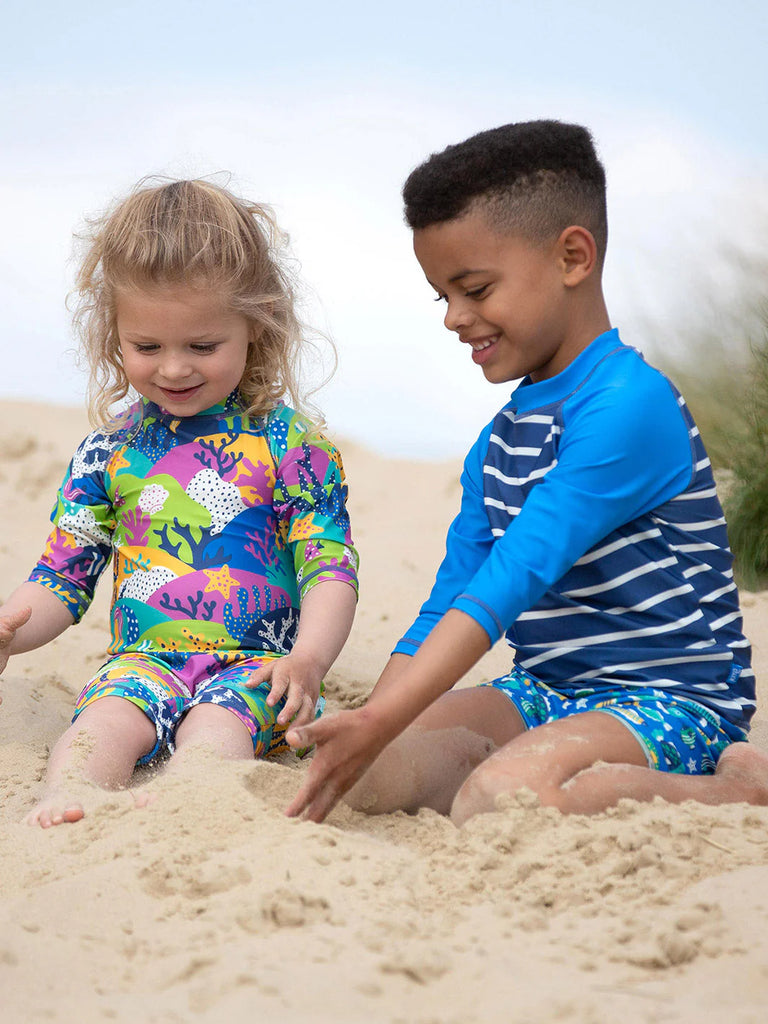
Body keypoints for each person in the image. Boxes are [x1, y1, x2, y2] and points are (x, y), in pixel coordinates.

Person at [283, 119, 768, 825]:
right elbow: (452, 595)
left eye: (475, 288)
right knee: (372, 776)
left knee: (502, 797)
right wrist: (378, 724)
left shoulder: (629, 407)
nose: (454, 317)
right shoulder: (501, 439)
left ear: (573, 256)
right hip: (546, 691)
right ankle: (507, 756)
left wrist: (384, 717)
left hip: (674, 702)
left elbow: (514, 576)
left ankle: (737, 789)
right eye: (442, 295)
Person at [0, 178, 358, 828]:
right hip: (142, 661)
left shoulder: (290, 445)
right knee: (99, 725)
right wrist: (10, 628)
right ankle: (68, 797)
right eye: (146, 347)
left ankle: (185, 798)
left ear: (257, 323)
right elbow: (61, 577)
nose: (173, 368)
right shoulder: (109, 451)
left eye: (201, 346)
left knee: (216, 730)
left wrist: (307, 660)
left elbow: (328, 567)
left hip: (258, 667)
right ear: (114, 333)